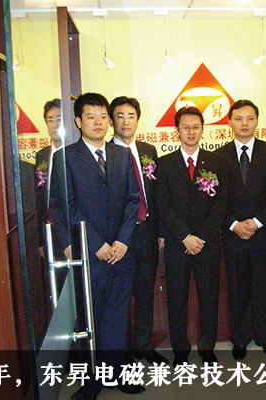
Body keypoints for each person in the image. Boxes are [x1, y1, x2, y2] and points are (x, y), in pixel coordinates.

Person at [49, 93, 144, 400]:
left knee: (117, 318)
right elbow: (65, 206)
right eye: (91, 117)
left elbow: (133, 201)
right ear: (78, 122)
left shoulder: (122, 155)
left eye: (103, 116)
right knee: (90, 320)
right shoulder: (65, 158)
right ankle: (91, 383)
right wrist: (96, 243)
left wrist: (122, 240)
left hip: (120, 252)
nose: (99, 122)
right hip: (89, 255)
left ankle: (117, 375)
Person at [157, 106, 228, 367]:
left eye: (196, 127)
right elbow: (162, 205)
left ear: (202, 130)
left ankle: (207, 347)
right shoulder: (165, 164)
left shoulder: (216, 162)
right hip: (178, 245)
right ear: (177, 130)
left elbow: (222, 203)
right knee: (176, 299)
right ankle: (181, 350)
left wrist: (202, 237)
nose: (191, 132)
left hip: (207, 244)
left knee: (209, 298)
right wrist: (185, 236)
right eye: (185, 127)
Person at [215, 99, 266, 360]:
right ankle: (240, 338)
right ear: (229, 122)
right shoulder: (218, 155)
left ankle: (265, 336)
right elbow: (216, 197)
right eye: (238, 118)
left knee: (264, 286)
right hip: (232, 235)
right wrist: (234, 224)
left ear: (257, 121)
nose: (244, 123)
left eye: (250, 118)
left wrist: (258, 222)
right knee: (237, 288)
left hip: (262, 233)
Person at [109, 96, 168, 366]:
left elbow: (156, 194)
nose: (126, 121)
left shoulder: (148, 151)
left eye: (130, 116)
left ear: (137, 120)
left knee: (145, 293)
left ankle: (143, 345)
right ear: (112, 121)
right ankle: (123, 351)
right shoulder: (105, 153)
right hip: (119, 237)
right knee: (120, 297)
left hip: (147, 232)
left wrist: (160, 231)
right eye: (120, 116)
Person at [34, 98, 62, 256]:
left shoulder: (76, 153)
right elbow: (39, 199)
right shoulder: (42, 156)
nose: (55, 124)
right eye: (50, 120)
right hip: (50, 230)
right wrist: (41, 240)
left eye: (59, 119)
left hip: (75, 230)